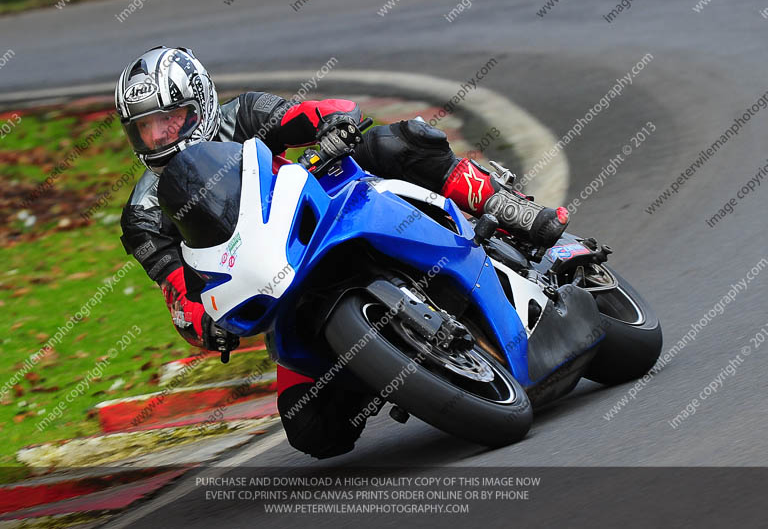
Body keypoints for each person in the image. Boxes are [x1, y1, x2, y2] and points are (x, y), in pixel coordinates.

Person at [116, 46, 568, 458]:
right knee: (310, 427)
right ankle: (389, 368)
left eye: (170, 120)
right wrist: (204, 323)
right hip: (278, 281)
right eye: (146, 129)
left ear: (201, 104)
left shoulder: (245, 114)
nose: (160, 137)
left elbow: (316, 111)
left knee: (395, 141)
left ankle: (503, 204)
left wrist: (332, 124)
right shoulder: (143, 214)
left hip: (321, 211)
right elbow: (177, 289)